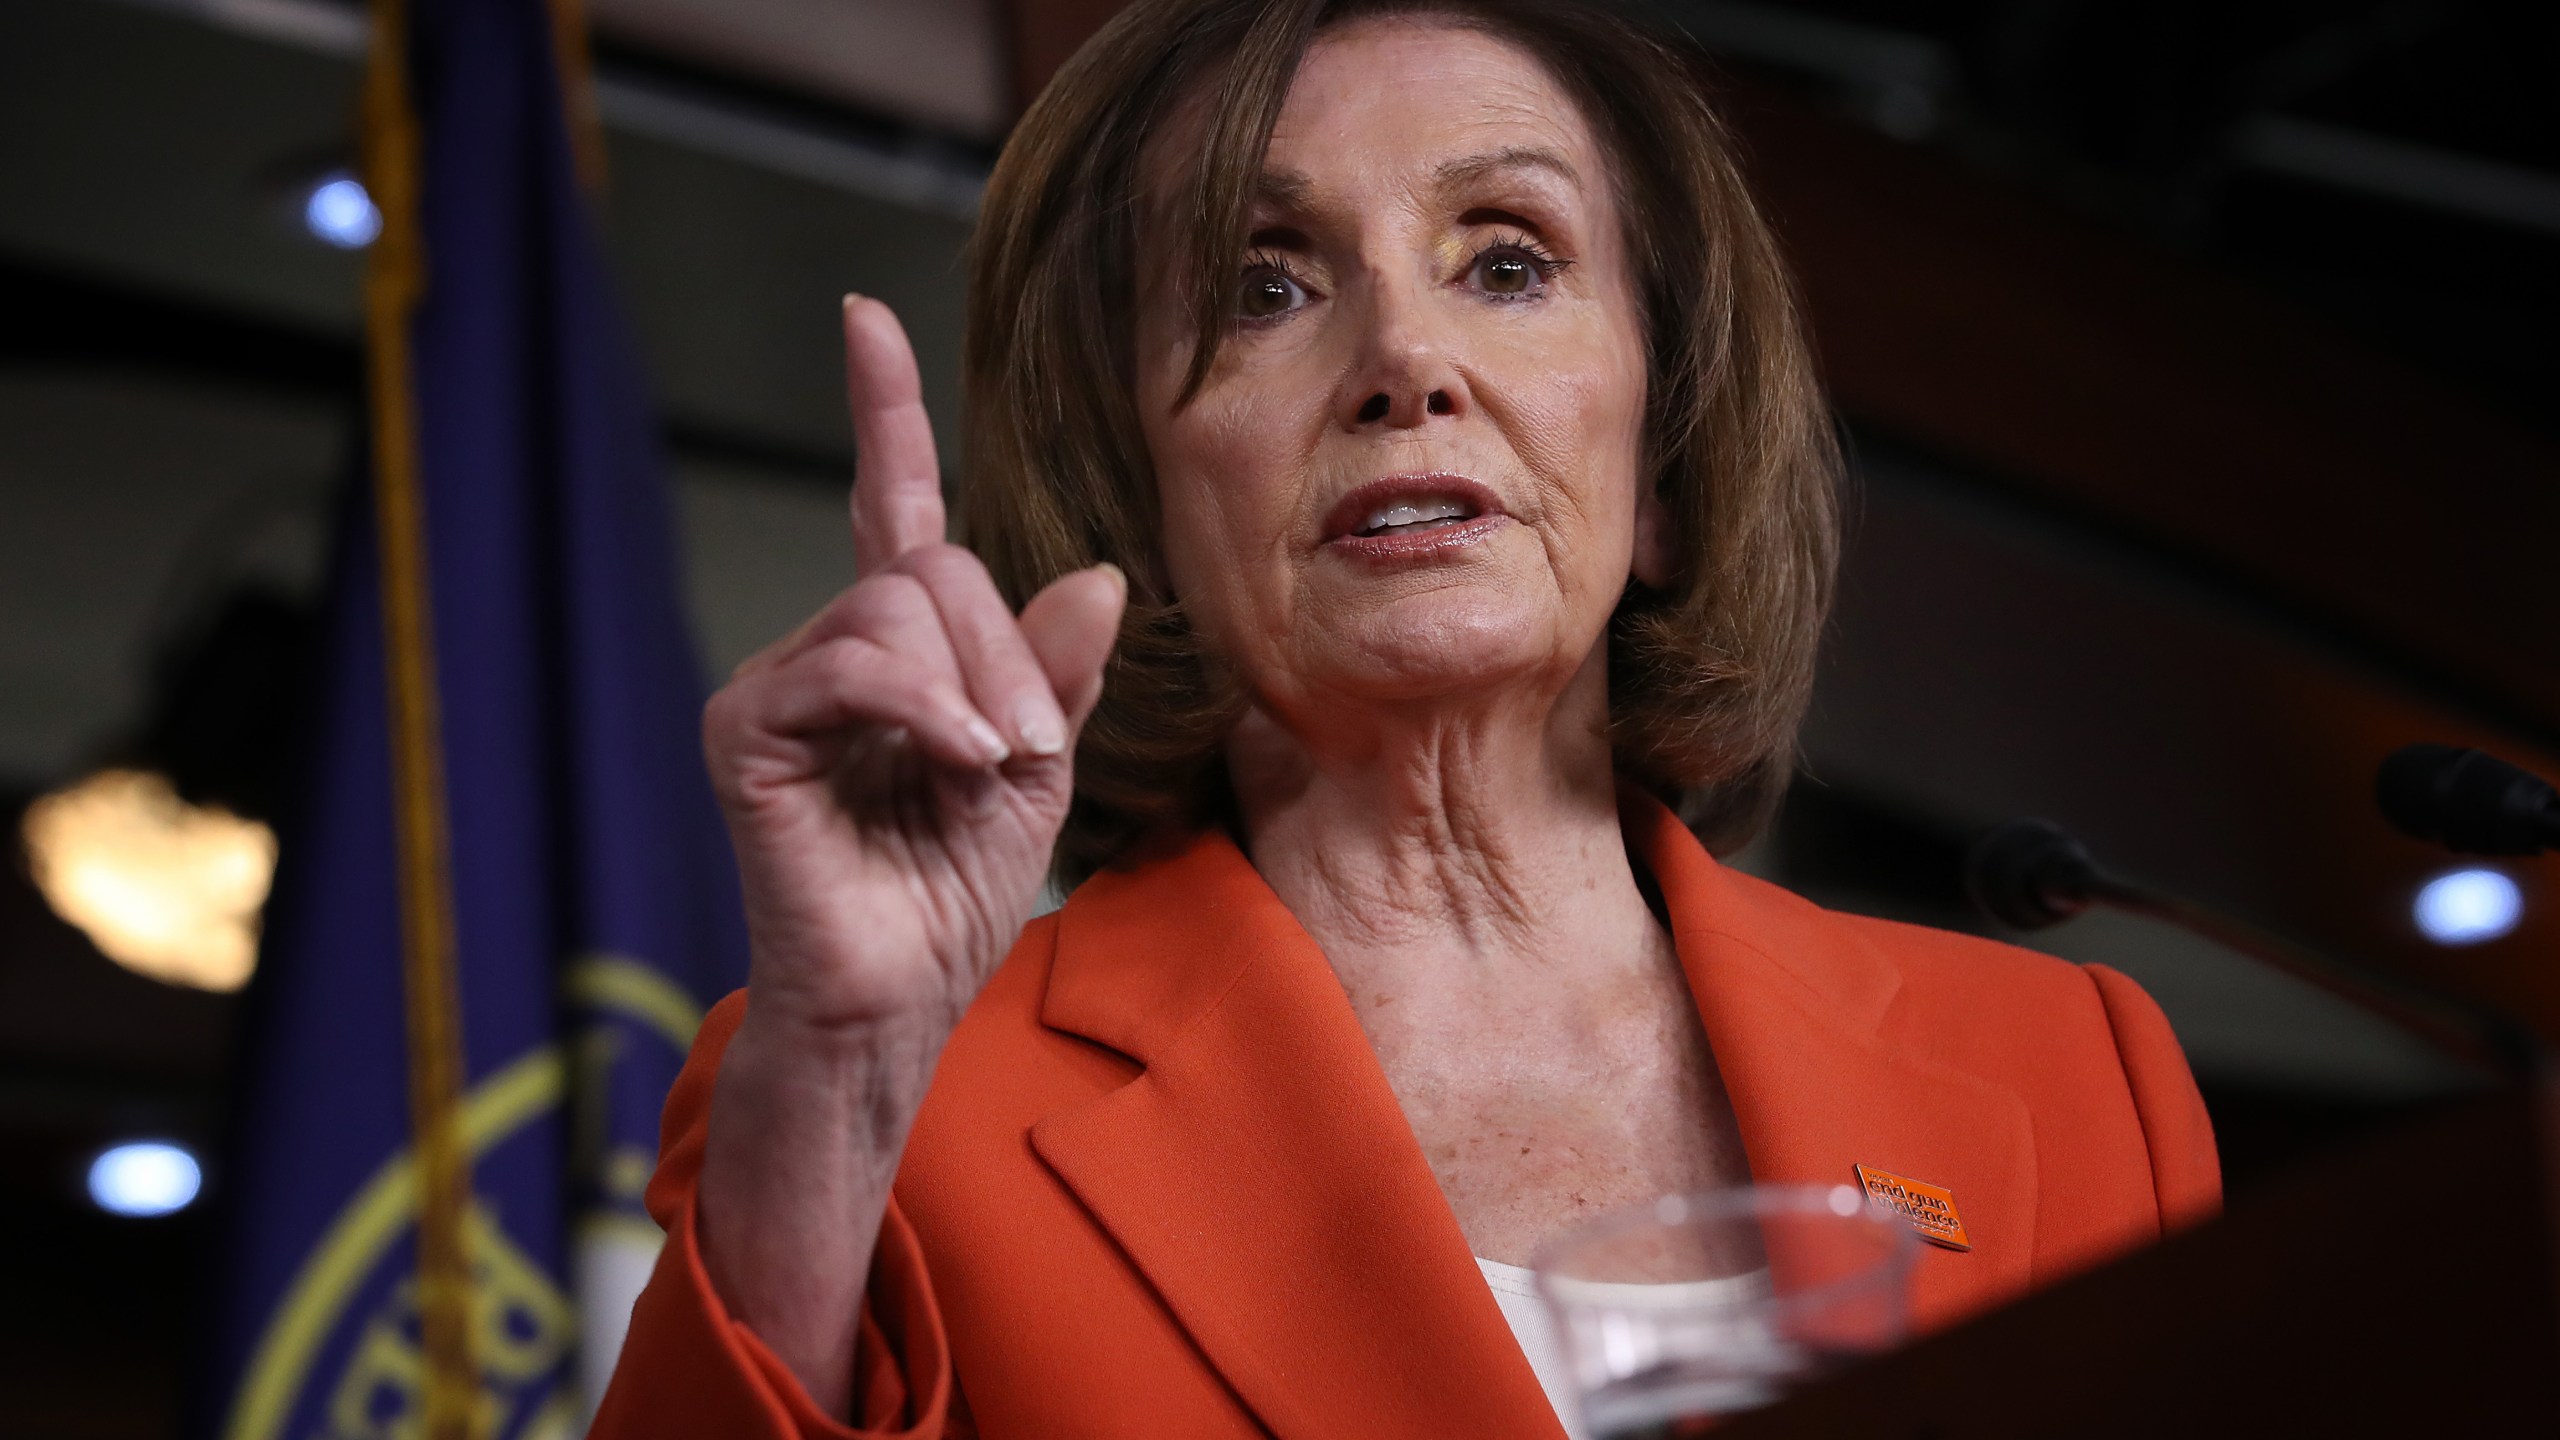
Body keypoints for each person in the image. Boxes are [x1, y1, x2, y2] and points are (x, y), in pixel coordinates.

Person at [592, 1, 2219, 1435]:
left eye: (1508, 261)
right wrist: (844, 1083)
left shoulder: (2073, 1077)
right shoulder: (905, 1111)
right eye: (1262, 286)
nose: (1404, 357)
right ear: (1135, 494)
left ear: (1659, 467)